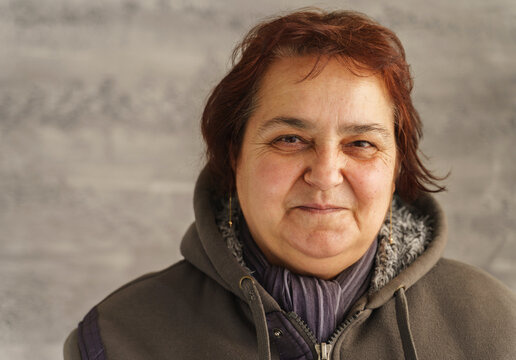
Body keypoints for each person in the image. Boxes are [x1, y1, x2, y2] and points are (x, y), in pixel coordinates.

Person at [64, 9, 516, 360]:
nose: (324, 173)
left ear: (397, 166)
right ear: (235, 154)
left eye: (360, 143)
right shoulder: (119, 337)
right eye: (290, 139)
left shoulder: (496, 327)